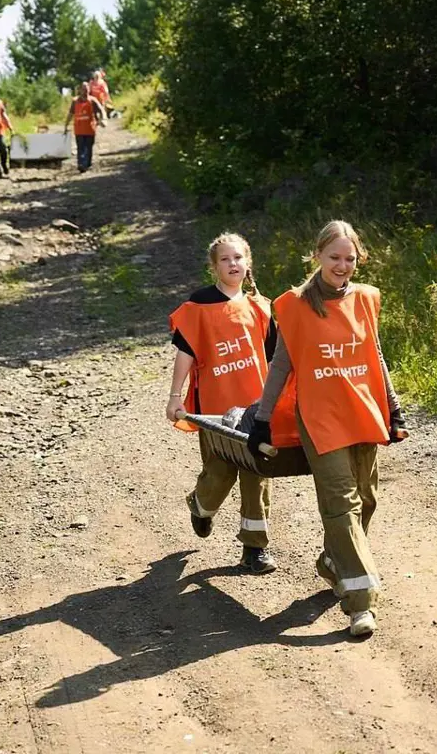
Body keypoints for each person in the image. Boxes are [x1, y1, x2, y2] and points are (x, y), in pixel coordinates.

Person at [247, 221, 407, 637]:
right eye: (334, 257)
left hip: (363, 412)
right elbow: (281, 364)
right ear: (317, 255)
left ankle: (333, 562)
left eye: (350, 258)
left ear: (359, 259)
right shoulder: (293, 305)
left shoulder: (367, 299)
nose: (342, 265)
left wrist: (393, 407)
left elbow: (375, 355)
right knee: (341, 506)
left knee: (367, 501)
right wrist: (263, 419)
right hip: (320, 418)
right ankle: (361, 603)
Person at [166, 234, 286, 574]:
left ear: (248, 263)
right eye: (224, 259)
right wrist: (175, 397)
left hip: (256, 409)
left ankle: (255, 548)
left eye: (238, 258)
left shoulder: (260, 306)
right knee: (220, 471)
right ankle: (201, 505)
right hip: (214, 410)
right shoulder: (199, 305)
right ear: (213, 266)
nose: (232, 264)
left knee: (257, 474)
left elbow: (275, 358)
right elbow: (185, 353)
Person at [63, 82, 106, 173]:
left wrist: (101, 120)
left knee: (88, 147)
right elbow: (70, 114)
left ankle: (87, 163)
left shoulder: (93, 100)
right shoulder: (75, 101)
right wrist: (66, 125)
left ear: (89, 90)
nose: (85, 91)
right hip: (79, 129)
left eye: (86, 89)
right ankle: (81, 164)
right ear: (80, 90)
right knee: (80, 147)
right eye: (83, 89)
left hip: (90, 128)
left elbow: (101, 110)